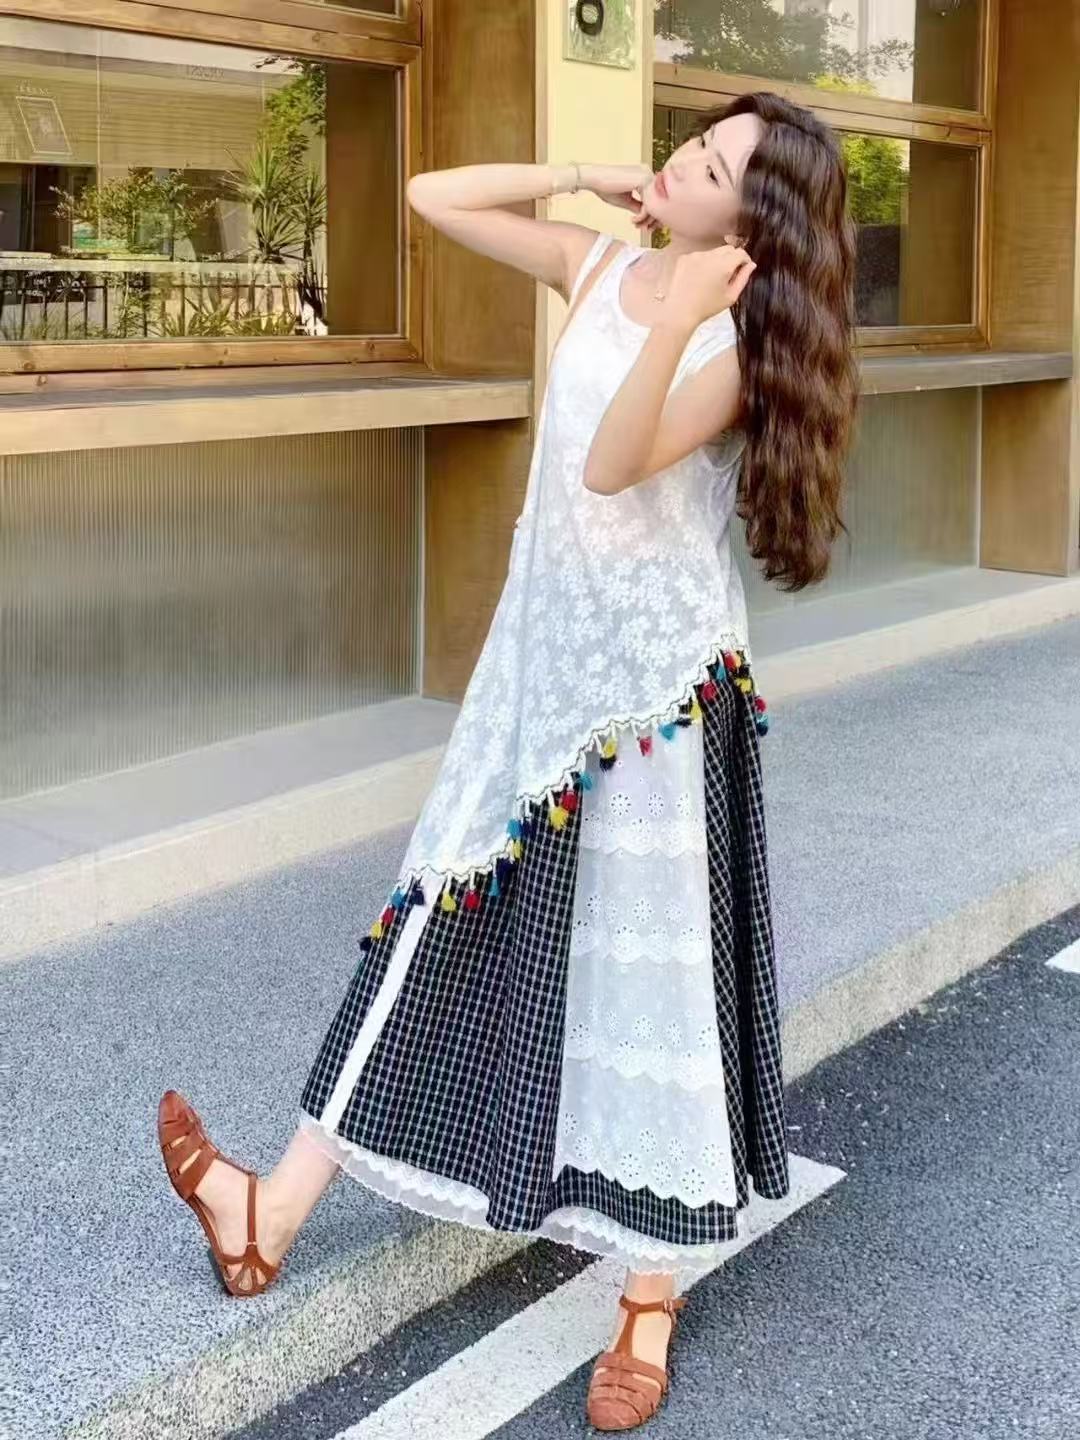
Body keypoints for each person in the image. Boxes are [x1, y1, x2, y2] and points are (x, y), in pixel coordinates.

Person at [158, 90, 858, 1432]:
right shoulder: (599, 262)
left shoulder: (740, 344)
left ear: (754, 220)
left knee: (653, 981)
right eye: (692, 138)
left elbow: (612, 464)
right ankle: (268, 1211)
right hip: (538, 671)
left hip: (651, 703)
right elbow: (436, 199)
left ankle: (648, 1294)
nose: (682, 160)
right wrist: (586, 172)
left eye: (712, 163)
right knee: (435, 909)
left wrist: (679, 313)